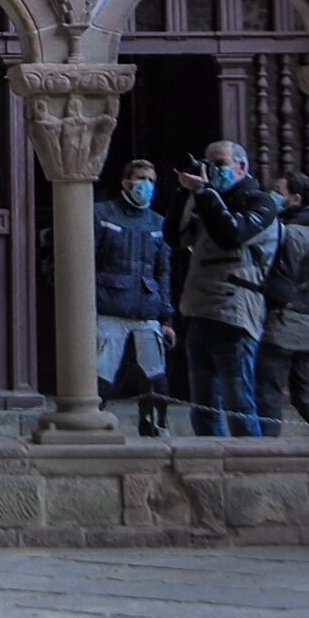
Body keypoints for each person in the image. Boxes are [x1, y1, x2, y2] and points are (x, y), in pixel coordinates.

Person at [174, 138, 276, 436]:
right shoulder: (207, 200)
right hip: (199, 310)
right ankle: (209, 468)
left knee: (238, 403)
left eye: (220, 163)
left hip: (234, 313)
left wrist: (205, 193)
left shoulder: (260, 202)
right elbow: (174, 236)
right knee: (203, 405)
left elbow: (231, 234)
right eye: (208, 164)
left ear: (242, 167)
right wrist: (185, 193)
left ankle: (248, 473)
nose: (212, 170)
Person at [94, 158, 176, 437]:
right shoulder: (102, 215)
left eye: (152, 180)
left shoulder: (159, 223)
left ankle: (155, 426)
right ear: (126, 182)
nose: (146, 185)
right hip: (108, 309)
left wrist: (167, 319)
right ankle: (92, 425)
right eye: (141, 179)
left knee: (156, 376)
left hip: (147, 311)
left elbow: (164, 273)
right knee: (101, 376)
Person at [256, 186, 309, 437]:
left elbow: (278, 275)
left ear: (295, 197)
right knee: (305, 389)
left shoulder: (291, 233)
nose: (273, 194)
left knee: (267, 388)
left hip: (284, 320)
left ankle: (265, 446)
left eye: (279, 190)